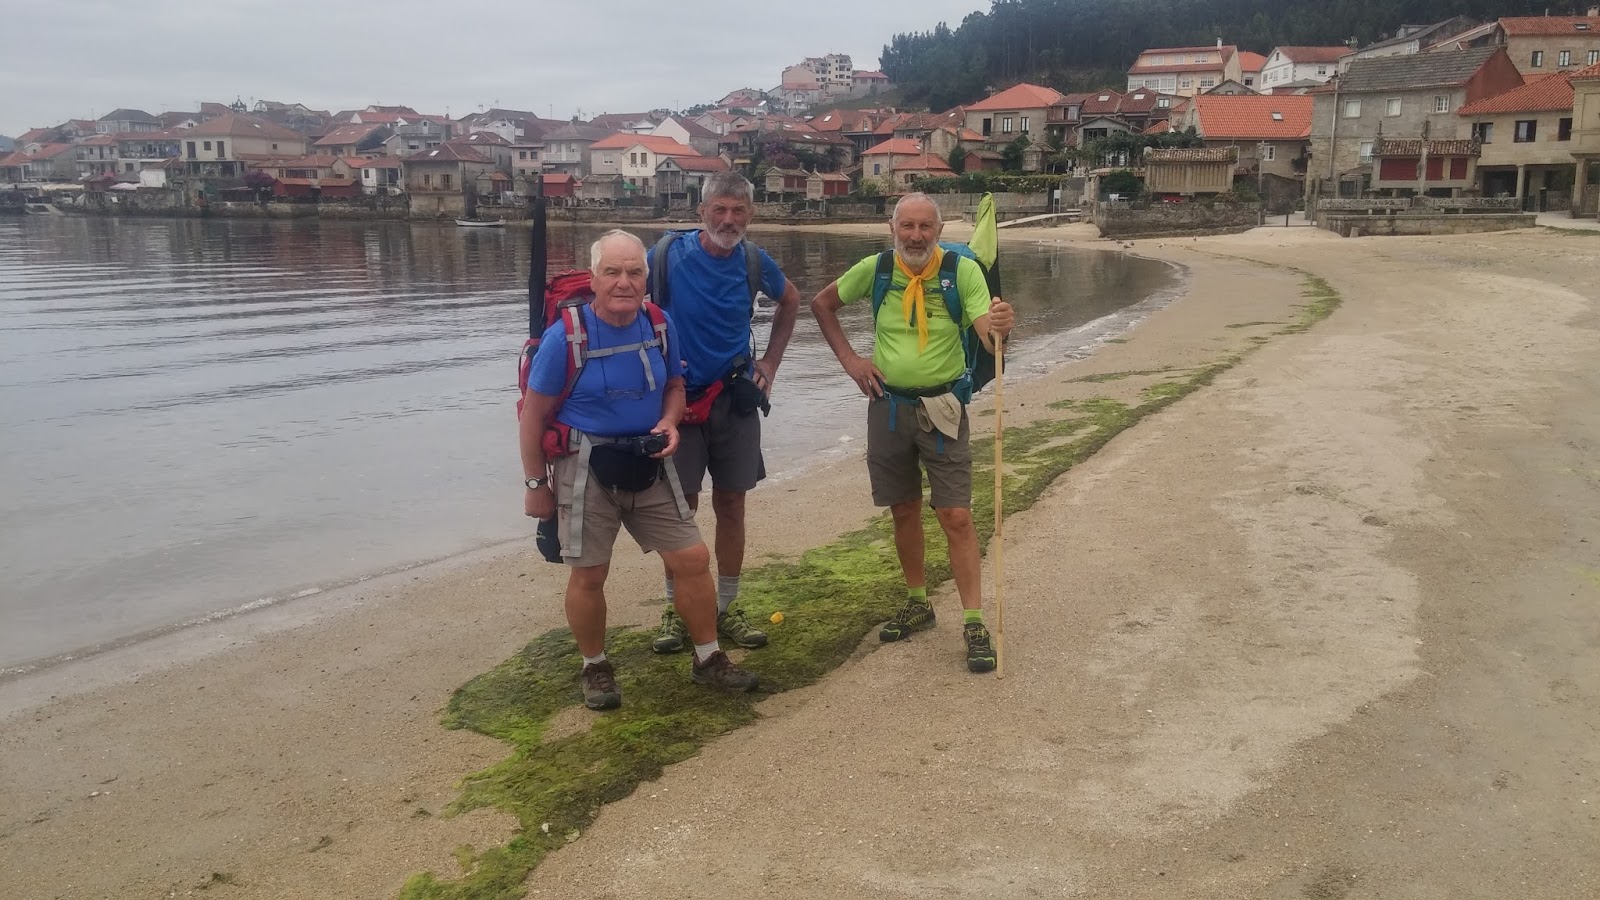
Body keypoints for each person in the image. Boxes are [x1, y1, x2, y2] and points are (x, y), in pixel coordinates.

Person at [520, 229, 758, 711]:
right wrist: (535, 485)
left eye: (633, 272)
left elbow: (674, 387)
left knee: (692, 559)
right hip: (585, 464)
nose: (623, 282)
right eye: (612, 272)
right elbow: (533, 415)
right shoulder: (565, 336)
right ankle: (595, 667)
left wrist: (670, 421)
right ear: (594, 278)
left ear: (646, 278)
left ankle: (708, 658)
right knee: (590, 573)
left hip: (649, 458)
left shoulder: (659, 325)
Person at [809, 193, 1015, 673]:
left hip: (943, 408)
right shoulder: (878, 269)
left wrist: (1002, 329)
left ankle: (973, 622)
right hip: (887, 408)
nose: (916, 236)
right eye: (908, 226)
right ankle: (918, 602)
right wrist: (851, 361)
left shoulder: (963, 272)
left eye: (925, 227)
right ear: (893, 229)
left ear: (939, 231)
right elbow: (822, 304)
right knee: (903, 509)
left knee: (956, 516)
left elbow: (989, 338)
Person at [646, 172, 805, 655]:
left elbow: (791, 300)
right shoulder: (665, 256)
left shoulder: (754, 261)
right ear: (702, 212)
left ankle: (728, 606)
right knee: (682, 509)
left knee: (732, 504)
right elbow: (623, 299)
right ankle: (676, 609)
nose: (728, 219)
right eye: (719, 209)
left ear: (751, 214)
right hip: (678, 402)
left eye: (738, 210)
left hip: (734, 399)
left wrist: (770, 364)